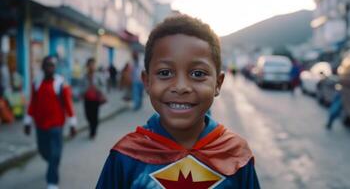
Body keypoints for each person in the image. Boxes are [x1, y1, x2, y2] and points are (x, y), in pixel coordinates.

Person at [96, 14, 260, 188]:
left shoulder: (236, 155)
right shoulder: (125, 156)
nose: (181, 87)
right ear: (147, 81)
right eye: (165, 73)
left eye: (198, 74)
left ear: (218, 84)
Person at [23, 56, 77, 189]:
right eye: (47, 65)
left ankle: (52, 182)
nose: (50, 68)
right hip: (40, 125)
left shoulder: (61, 83)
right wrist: (27, 121)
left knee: (54, 153)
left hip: (56, 126)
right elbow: (33, 103)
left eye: (52, 65)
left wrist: (72, 123)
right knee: (43, 152)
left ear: (55, 68)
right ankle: (53, 163)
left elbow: (68, 104)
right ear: (43, 67)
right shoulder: (36, 82)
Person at [81, 58, 106, 139]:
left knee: (94, 116)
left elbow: (103, 85)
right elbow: (80, 86)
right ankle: (91, 127)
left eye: (93, 65)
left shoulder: (98, 75)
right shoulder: (84, 76)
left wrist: (99, 89)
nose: (92, 66)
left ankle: (93, 132)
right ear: (87, 66)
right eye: (90, 65)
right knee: (88, 115)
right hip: (87, 98)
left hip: (95, 99)